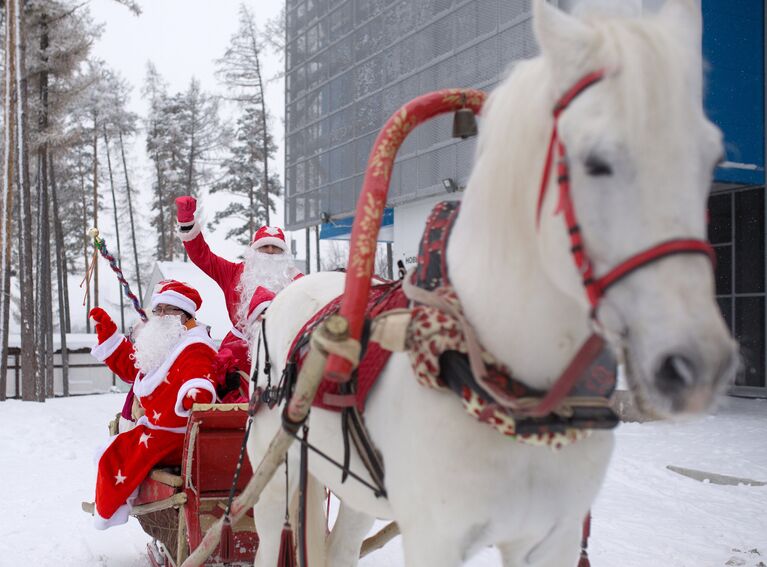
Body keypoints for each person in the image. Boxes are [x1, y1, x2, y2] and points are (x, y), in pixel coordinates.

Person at [88, 280, 217, 529]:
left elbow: (200, 375)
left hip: (176, 434)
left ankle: (114, 505)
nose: (160, 315)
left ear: (185, 316)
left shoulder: (195, 346)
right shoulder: (167, 344)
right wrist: (110, 337)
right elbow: (134, 366)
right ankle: (118, 501)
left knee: (113, 456)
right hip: (159, 429)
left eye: (168, 310)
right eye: (157, 310)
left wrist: (196, 392)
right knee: (114, 450)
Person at [175, 196, 302, 400]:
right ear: (253, 250)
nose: (270, 252)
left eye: (276, 248)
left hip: (282, 354)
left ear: (284, 253)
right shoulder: (234, 273)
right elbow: (202, 256)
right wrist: (187, 222)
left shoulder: (298, 281)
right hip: (236, 355)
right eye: (264, 247)